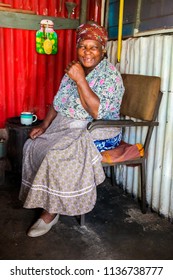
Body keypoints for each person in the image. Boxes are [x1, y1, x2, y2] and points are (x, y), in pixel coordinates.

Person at [19, 22, 125, 237]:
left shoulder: (111, 76)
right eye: (83, 46)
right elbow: (59, 102)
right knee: (33, 144)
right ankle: (46, 199)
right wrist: (45, 125)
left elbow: (96, 112)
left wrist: (80, 80)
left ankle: (50, 212)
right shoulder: (73, 69)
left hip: (100, 129)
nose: (87, 52)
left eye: (93, 47)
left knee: (58, 155)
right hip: (68, 125)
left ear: (103, 49)